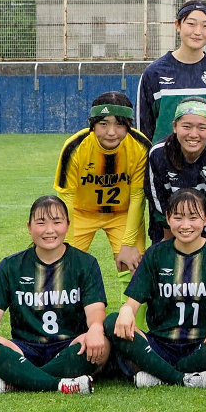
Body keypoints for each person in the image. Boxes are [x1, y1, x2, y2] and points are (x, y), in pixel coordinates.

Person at [106, 189, 206, 388]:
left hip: (204, 344)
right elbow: (133, 301)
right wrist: (127, 311)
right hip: (161, 344)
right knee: (112, 322)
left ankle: (161, 373)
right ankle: (186, 377)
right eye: (178, 218)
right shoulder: (156, 254)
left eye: (193, 217)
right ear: (167, 218)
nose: (185, 225)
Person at [0, 195, 105, 394]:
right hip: (25, 350)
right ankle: (60, 384)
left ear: (67, 225)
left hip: (70, 348)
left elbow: (96, 312)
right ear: (29, 227)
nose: (49, 230)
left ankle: (19, 379)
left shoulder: (85, 263)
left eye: (57, 222)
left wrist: (95, 328)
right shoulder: (11, 266)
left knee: (103, 343)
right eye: (41, 223)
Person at [53, 91, 151, 277]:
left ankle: (128, 307)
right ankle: (75, 307)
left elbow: (138, 197)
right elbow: (66, 199)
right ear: (92, 123)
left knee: (134, 266)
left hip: (122, 213)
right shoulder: (75, 147)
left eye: (120, 125)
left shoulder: (141, 146)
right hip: (80, 213)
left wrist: (129, 243)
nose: (111, 132)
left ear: (129, 125)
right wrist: (69, 245)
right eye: (103, 124)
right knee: (64, 268)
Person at [144, 97, 206, 248]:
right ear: (174, 126)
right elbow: (157, 198)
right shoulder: (158, 154)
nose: (194, 134)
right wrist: (170, 233)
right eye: (186, 126)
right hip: (169, 227)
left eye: (202, 128)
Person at [137, 0, 206, 143]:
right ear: (177, 25)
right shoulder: (154, 72)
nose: (197, 32)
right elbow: (144, 129)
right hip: (165, 162)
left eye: (205, 26)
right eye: (191, 24)